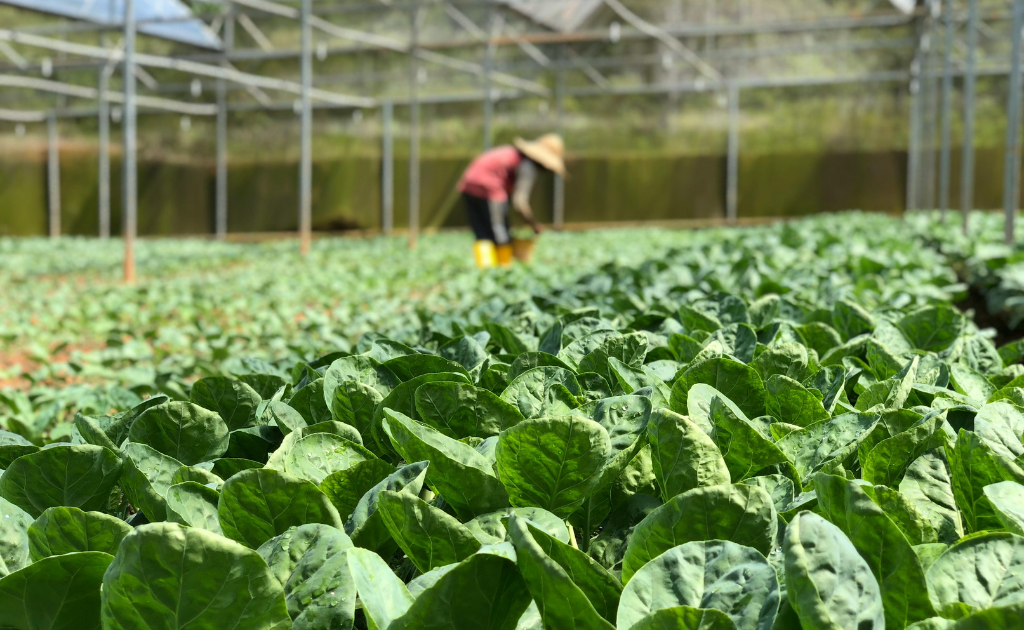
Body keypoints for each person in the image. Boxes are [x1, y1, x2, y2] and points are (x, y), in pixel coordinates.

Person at [457, 133, 567, 268]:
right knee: (500, 231)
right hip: (490, 187)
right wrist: (533, 223)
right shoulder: (527, 165)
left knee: (482, 232)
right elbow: (519, 202)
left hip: (468, 184)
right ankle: (503, 270)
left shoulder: (513, 154)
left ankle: (485, 271)